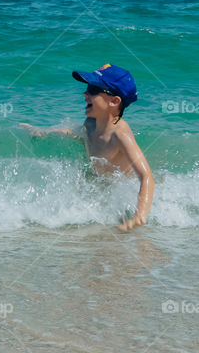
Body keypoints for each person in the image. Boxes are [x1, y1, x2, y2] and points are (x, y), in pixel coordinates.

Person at [21, 64, 155, 231]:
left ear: (114, 101)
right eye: (87, 88)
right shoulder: (91, 123)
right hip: (97, 179)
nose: (85, 94)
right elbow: (82, 137)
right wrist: (44, 133)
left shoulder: (120, 134)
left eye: (93, 89)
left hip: (120, 190)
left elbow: (146, 176)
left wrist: (139, 215)